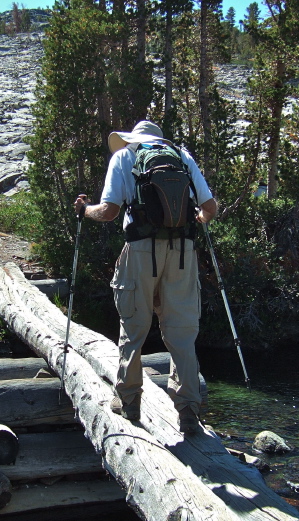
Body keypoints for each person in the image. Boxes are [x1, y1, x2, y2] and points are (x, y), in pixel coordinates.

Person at [74, 120, 218, 434]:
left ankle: (129, 403)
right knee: (181, 335)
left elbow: (110, 211)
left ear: (132, 138)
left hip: (140, 251)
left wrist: (84, 210)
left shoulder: (124, 157)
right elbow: (210, 207)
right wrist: (197, 219)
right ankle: (189, 412)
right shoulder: (181, 155)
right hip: (183, 253)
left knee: (134, 329)